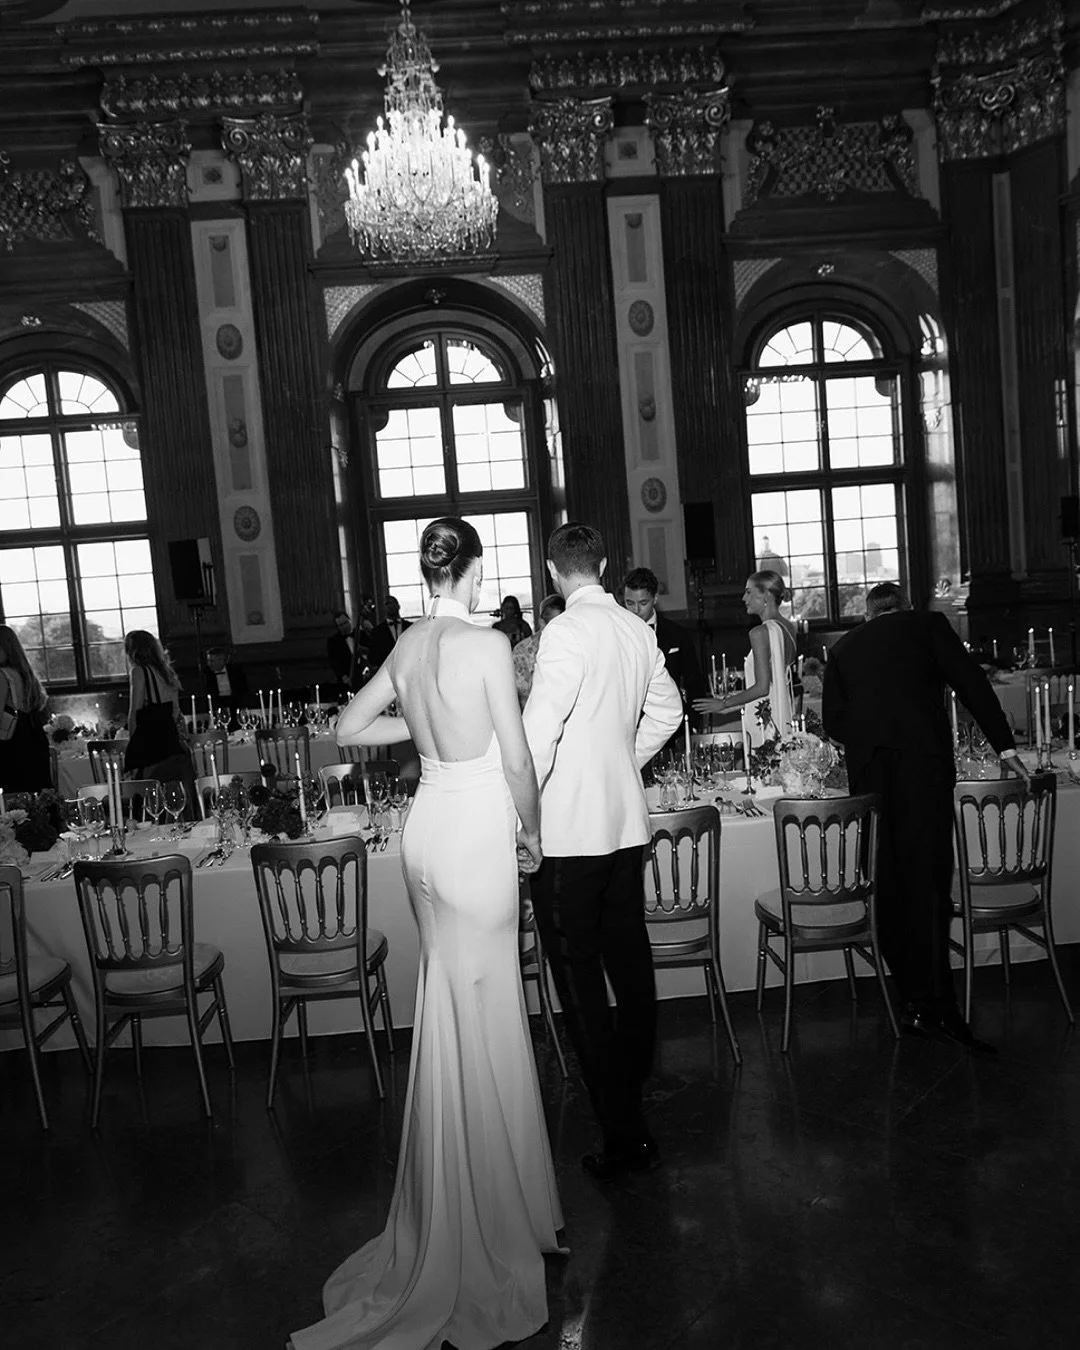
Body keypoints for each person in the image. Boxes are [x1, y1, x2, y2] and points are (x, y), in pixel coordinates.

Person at [292, 517, 564, 1350]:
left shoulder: (408, 646)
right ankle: (492, 1213)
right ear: (476, 571)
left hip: (425, 831)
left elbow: (342, 727)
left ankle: (459, 1199)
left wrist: (421, 732)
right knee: (487, 1012)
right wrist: (533, 835)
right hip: (479, 828)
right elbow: (518, 762)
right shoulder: (485, 646)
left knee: (450, 1002)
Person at [524, 523, 683, 1181]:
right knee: (630, 955)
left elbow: (540, 732)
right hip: (624, 828)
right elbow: (669, 712)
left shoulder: (564, 631)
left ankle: (622, 1132)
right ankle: (633, 1079)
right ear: (607, 564)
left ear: (555, 573)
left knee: (580, 979)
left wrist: (521, 816)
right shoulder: (635, 628)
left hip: (567, 835)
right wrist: (625, 760)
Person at [822, 582, 1027, 1054]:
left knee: (888, 887)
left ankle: (913, 1002)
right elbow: (971, 684)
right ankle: (943, 1007)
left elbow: (834, 721)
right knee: (930, 885)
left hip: (872, 776)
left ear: (871, 615)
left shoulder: (846, 647)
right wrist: (1005, 745)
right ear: (905, 609)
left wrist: (873, 734)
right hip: (922, 768)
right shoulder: (929, 625)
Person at [692, 570, 796, 745]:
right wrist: (733, 706)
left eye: (748, 592)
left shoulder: (759, 633)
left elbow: (762, 688)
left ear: (766, 596)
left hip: (763, 719)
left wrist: (724, 703)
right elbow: (773, 685)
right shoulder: (789, 628)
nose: (743, 598)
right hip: (778, 714)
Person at [623, 567, 708, 724]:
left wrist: (693, 723)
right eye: (629, 603)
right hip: (629, 722)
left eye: (643, 603)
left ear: (655, 598)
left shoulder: (677, 634)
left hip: (672, 720)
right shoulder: (617, 635)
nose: (635, 610)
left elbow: (694, 681)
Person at [123, 631, 195, 798]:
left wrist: (133, 745)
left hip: (152, 743)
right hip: (172, 740)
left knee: (151, 794)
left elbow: (135, 711)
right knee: (175, 794)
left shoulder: (139, 671)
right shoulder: (166, 671)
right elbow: (176, 712)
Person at [0, 625, 51, 793]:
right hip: (33, 736)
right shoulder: (24, 673)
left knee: (14, 794)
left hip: (12, 741)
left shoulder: (2, 675)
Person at [512, 592, 565, 705]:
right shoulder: (523, 651)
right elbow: (521, 693)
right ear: (542, 623)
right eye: (555, 625)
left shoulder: (574, 644)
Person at [203, 646, 249, 729]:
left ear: (222, 660)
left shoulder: (236, 671)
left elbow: (243, 690)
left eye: (212, 661)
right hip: (217, 705)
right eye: (209, 661)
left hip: (234, 703)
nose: (209, 664)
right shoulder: (205, 674)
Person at [366, 594, 412, 669]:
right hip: (386, 671)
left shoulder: (410, 627)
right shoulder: (377, 632)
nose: (390, 606)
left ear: (398, 606)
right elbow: (373, 657)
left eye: (392, 603)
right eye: (387, 604)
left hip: (408, 668)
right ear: (383, 609)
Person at [326, 611, 360, 696]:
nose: (344, 627)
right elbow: (334, 661)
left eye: (345, 623)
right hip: (347, 680)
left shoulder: (360, 634)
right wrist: (344, 676)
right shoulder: (333, 641)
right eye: (340, 625)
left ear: (350, 620)